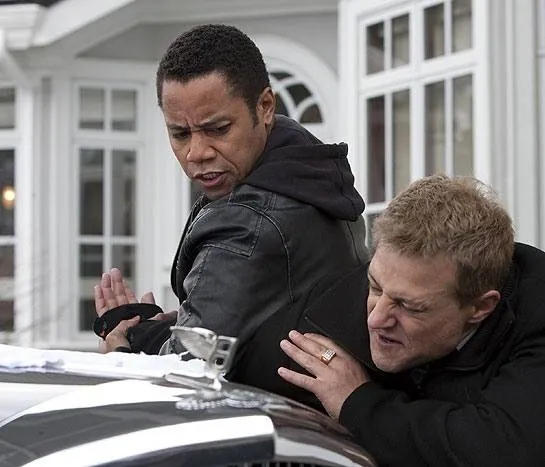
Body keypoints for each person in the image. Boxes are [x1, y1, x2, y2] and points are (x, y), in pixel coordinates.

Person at [92, 24, 368, 402]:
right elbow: (256, 322)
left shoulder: (248, 225)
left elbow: (184, 376)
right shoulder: (313, 176)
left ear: (265, 107)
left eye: (218, 129)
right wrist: (159, 325)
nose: (196, 153)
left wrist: (121, 350)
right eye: (180, 134)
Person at [278, 174, 545, 467]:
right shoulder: (343, 299)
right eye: (374, 287)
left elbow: (505, 450)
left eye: (409, 306)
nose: (376, 319)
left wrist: (358, 403)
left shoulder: (535, 312)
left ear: (480, 307)